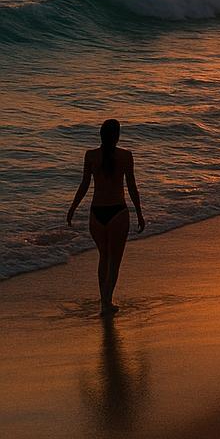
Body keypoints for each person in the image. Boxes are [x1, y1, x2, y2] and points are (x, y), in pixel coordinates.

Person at [66, 119, 145, 315]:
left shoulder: (91, 155)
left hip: (96, 213)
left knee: (103, 257)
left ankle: (104, 301)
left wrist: (73, 207)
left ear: (101, 135)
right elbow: (132, 187)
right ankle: (107, 302)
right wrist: (139, 213)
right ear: (117, 136)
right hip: (118, 212)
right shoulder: (126, 156)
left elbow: (84, 185)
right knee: (114, 261)